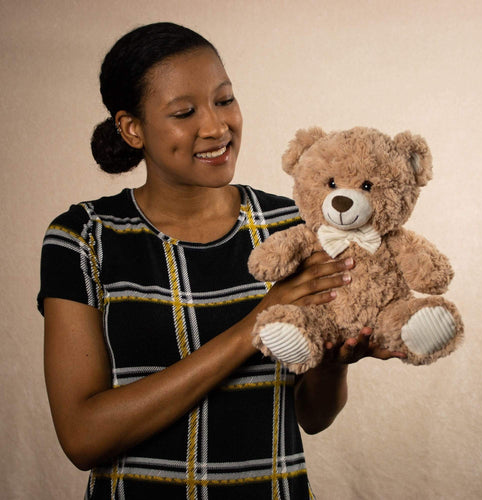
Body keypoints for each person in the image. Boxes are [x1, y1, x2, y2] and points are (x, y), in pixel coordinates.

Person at [38, 22, 402, 500]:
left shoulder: (294, 224)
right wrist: (256, 324)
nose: (215, 126)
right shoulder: (84, 237)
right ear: (132, 128)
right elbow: (83, 437)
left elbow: (312, 418)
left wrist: (334, 365)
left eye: (224, 99)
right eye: (184, 112)